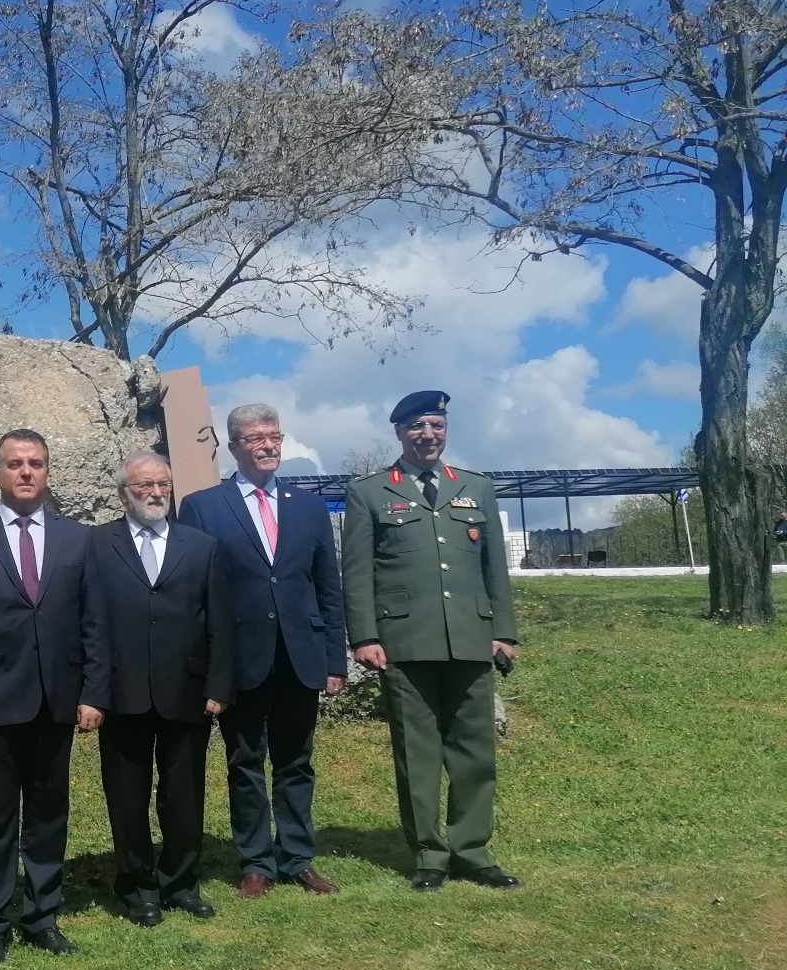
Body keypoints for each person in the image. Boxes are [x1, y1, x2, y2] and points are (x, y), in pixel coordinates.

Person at [342, 391, 520, 892]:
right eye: (418, 426)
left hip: (470, 638)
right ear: (399, 432)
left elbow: (495, 569)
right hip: (404, 642)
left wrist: (504, 631)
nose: (429, 435)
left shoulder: (475, 488)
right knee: (417, 753)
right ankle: (428, 853)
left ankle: (472, 849)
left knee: (474, 752)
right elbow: (356, 574)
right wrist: (365, 637)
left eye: (437, 425)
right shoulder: (371, 492)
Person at [0, 429, 97, 964]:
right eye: (15, 464)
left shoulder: (77, 539)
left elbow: (92, 622)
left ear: (48, 472)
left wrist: (93, 691)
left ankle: (43, 917)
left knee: (50, 815)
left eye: (36, 464)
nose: (26, 472)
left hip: (58, 700)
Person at [175, 404, 346, 897]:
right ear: (235, 447)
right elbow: (197, 597)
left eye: (274, 436)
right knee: (245, 761)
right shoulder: (203, 507)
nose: (268, 445)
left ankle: (298, 857)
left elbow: (326, 587)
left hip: (301, 654)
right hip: (240, 659)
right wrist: (208, 670)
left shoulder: (308, 506)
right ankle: (256, 862)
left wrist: (336, 659)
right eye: (256, 438)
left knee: (296, 760)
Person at [85, 452, 234, 926]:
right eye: (145, 485)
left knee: (184, 795)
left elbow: (220, 622)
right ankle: (136, 887)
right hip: (122, 694)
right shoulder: (96, 545)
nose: (155, 493)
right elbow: (87, 621)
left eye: (163, 485)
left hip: (187, 693)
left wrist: (219, 684)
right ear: (123, 493)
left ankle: (180, 882)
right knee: (127, 798)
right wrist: (92, 690)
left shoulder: (202, 546)